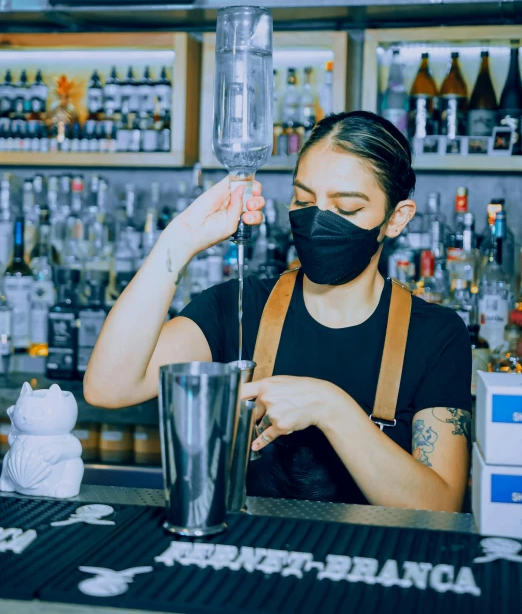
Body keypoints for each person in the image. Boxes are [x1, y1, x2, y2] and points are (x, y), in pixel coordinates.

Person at [85, 111, 472, 511]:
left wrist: (330, 407)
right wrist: (178, 242)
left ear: (396, 218)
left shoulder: (436, 335)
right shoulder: (236, 306)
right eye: (304, 200)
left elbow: (440, 507)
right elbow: (108, 387)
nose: (318, 220)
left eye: (347, 208)